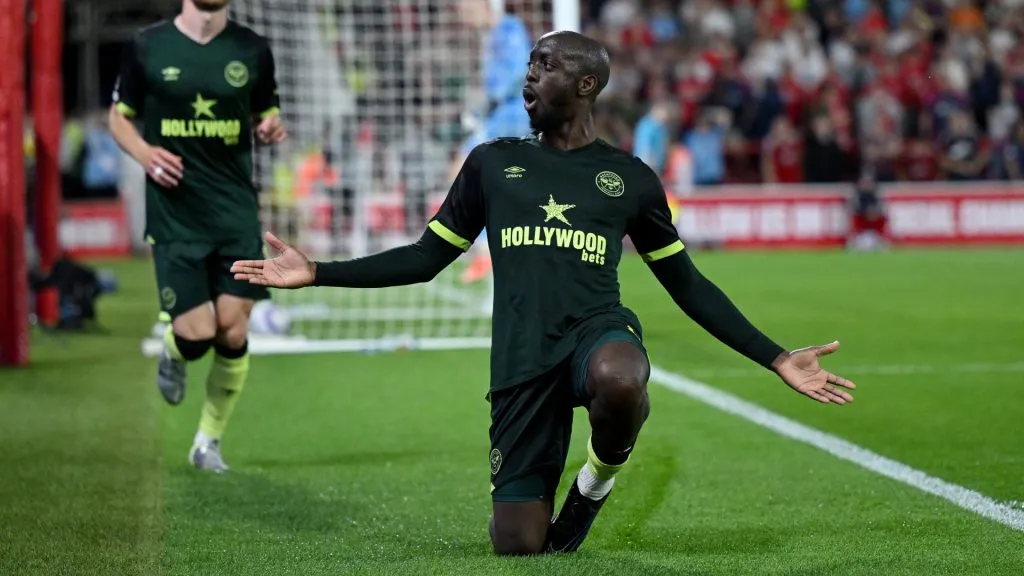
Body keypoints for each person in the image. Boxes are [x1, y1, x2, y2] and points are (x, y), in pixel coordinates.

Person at [231, 31, 855, 555]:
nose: (529, 76)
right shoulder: (491, 165)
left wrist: (775, 357)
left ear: (586, 85)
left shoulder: (629, 179)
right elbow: (426, 259)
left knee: (620, 377)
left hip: (595, 333)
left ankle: (595, 482)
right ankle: (554, 490)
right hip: (521, 361)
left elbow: (687, 283)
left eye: (545, 65)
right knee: (521, 546)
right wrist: (319, 271)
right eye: (529, 63)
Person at [109, 0, 287, 473]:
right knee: (196, 335)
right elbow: (117, 118)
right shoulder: (149, 46)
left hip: (234, 213)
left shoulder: (253, 49)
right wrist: (146, 154)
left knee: (232, 330)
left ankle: (207, 442)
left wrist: (269, 125)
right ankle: (173, 353)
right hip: (175, 215)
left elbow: (266, 111)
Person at [452, 0, 534, 283]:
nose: (463, 15)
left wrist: (492, 100)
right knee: (489, 183)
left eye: (466, 8)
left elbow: (522, 68)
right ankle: (493, 248)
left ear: (484, 5)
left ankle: (487, 249)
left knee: (468, 171)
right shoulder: (490, 37)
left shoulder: (509, 27)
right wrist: (477, 111)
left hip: (511, 116)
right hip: (497, 116)